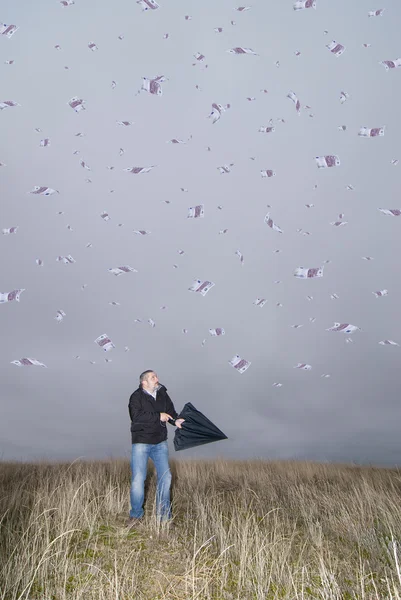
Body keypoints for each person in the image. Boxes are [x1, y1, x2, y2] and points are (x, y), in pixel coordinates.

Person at [127, 370, 185, 526]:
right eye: (153, 377)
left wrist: (176, 421)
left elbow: (171, 412)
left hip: (160, 443)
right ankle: (136, 516)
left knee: (166, 478)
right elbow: (136, 417)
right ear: (144, 382)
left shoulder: (162, 393)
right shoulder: (136, 397)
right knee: (138, 479)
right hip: (141, 442)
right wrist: (158, 416)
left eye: (156, 376)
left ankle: (164, 517)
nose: (157, 379)